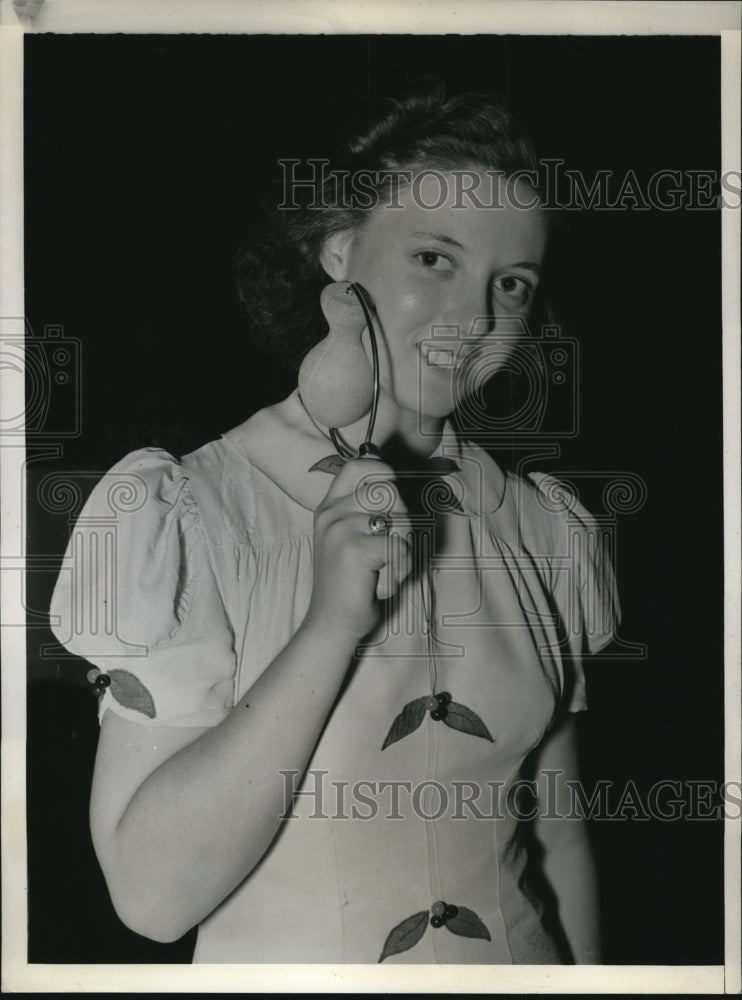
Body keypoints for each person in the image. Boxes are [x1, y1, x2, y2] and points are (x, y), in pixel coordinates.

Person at [49, 85, 619, 965]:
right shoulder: (194, 513)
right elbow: (151, 900)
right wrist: (329, 627)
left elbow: (559, 842)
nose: (473, 320)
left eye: (510, 284)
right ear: (339, 249)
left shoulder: (545, 532)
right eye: (434, 258)